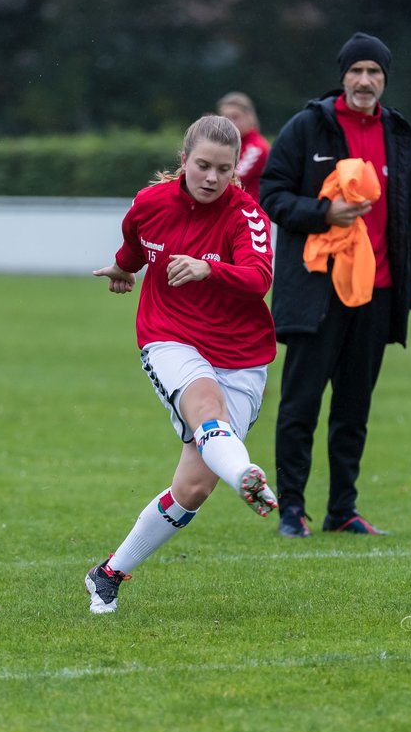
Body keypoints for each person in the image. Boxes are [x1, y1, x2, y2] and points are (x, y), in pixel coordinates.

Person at [85, 114, 278, 614]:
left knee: (192, 488)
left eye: (223, 169)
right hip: (168, 337)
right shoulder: (150, 204)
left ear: (236, 169)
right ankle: (247, 477)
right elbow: (133, 248)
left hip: (241, 354)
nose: (212, 178)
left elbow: (259, 279)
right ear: (183, 162)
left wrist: (207, 268)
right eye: (203, 166)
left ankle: (107, 575)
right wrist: (122, 271)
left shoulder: (246, 215)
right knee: (205, 404)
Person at [260, 31, 411, 539]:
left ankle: (343, 510)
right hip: (318, 289)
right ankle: (291, 510)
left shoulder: (399, 135)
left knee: (353, 409)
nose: (365, 81)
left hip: (378, 292)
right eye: (357, 71)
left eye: (375, 73)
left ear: (385, 80)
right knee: (300, 404)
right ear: (342, 76)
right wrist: (323, 213)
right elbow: (270, 193)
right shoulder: (307, 127)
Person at [217, 91, 271, 201]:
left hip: (249, 212)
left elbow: (231, 179)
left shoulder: (256, 147)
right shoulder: (231, 144)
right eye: (225, 118)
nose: (230, 123)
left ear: (250, 117)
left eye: (235, 117)